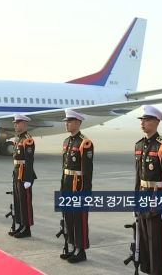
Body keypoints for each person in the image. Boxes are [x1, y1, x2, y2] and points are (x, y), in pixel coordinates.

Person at [134, 105, 162, 275]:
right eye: (142, 120)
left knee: (158, 244)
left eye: (147, 120)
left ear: (157, 122)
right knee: (145, 242)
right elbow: (138, 177)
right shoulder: (139, 145)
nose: (143, 123)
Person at [60, 110, 93, 263]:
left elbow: (87, 171)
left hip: (78, 186)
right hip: (67, 184)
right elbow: (64, 167)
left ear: (78, 123)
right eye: (66, 121)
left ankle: (81, 250)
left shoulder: (85, 143)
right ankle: (73, 246)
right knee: (68, 217)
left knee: (79, 219)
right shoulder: (66, 141)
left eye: (70, 121)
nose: (67, 124)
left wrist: (86, 192)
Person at [9, 114, 36, 238]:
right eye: (15, 123)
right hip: (16, 173)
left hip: (24, 174)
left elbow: (29, 161)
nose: (15, 125)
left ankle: (27, 228)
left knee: (25, 202)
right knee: (17, 201)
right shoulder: (18, 139)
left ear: (24, 124)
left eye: (17, 123)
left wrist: (28, 179)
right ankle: (20, 224)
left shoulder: (27, 140)